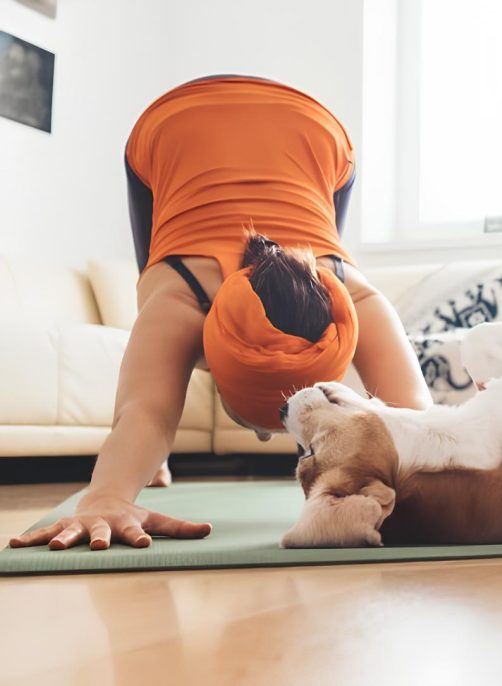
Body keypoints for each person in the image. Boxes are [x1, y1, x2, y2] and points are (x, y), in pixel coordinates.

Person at [9, 75, 431, 552]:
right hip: (173, 126)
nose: (262, 437)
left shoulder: (350, 298)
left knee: (158, 335)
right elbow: (147, 413)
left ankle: (144, 461)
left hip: (315, 132)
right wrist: (104, 497)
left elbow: (417, 420)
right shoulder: (179, 297)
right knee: (153, 288)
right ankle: (142, 461)